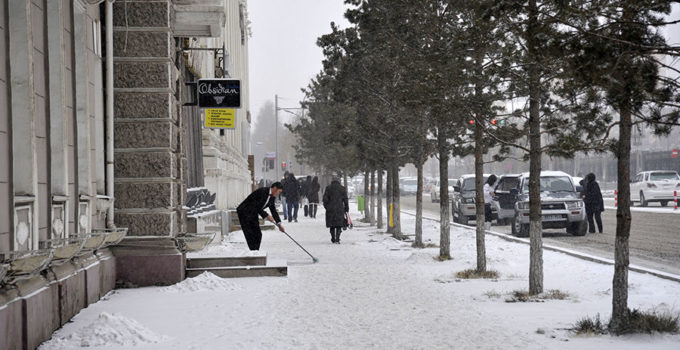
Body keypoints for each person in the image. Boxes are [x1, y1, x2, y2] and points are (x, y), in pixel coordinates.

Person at [236, 182, 285, 250]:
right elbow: (256, 206)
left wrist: (279, 224)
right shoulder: (262, 191)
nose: (278, 194)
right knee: (250, 234)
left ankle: (255, 251)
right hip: (244, 212)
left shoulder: (272, 197)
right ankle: (253, 252)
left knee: (258, 234)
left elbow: (273, 210)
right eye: (279, 192)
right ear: (275, 188)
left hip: (253, 212)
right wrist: (267, 216)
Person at [323, 177, 349, 244]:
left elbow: (325, 199)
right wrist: (346, 207)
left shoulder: (328, 188)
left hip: (330, 208)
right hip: (339, 208)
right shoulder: (342, 188)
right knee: (338, 224)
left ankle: (333, 238)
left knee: (332, 224)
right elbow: (345, 199)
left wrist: (327, 207)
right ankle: (337, 238)